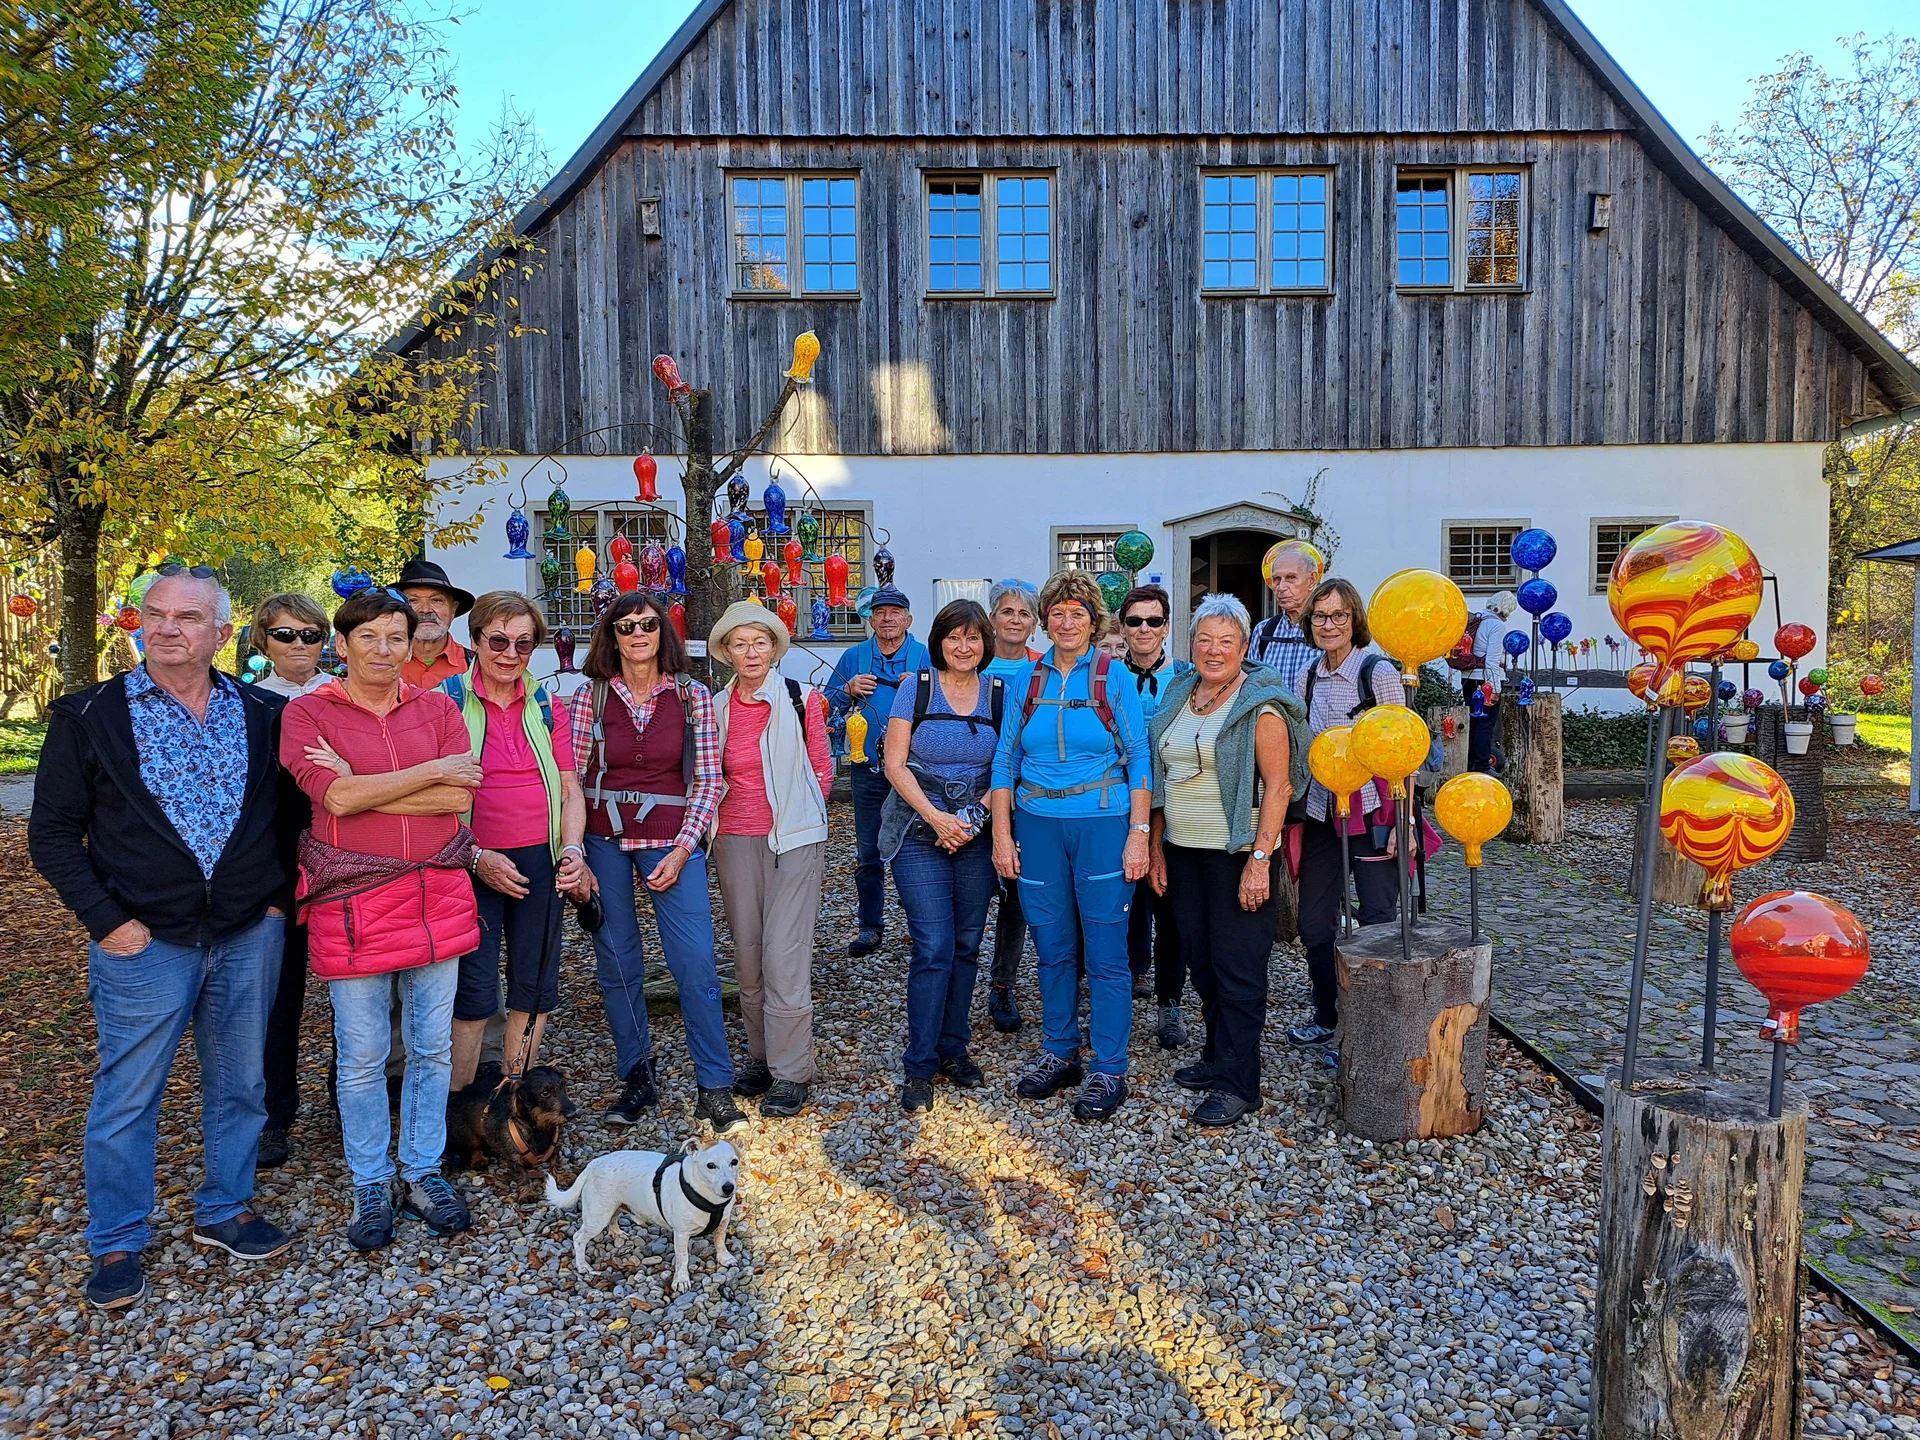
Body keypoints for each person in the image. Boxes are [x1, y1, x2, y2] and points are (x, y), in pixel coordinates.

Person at [29, 566, 295, 1311]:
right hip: (143, 942)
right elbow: (50, 835)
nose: (167, 628)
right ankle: (117, 1239)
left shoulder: (264, 712)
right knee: (127, 1095)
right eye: (155, 614)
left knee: (242, 1084)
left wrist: (274, 904)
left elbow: (287, 823)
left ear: (223, 633)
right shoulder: (90, 716)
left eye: (186, 617)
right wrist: (108, 922)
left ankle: (224, 1209)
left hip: (247, 932)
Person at [281, 588, 481, 1252]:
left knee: (430, 1048)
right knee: (363, 1056)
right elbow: (332, 796)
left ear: (409, 642)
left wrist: (367, 786)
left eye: (396, 637)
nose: (384, 649)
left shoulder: (438, 706)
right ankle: (371, 1181)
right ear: (342, 645)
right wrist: (426, 773)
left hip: (435, 896)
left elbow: (458, 797)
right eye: (368, 637)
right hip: (354, 903)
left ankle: (422, 1171)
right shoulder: (309, 713)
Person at [570, 591, 746, 1136]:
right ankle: (637, 1074)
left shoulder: (692, 696)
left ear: (662, 632)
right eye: (626, 626)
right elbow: (570, 778)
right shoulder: (590, 697)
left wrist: (684, 847)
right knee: (617, 962)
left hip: (672, 840)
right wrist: (573, 852)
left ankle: (714, 1083)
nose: (638, 633)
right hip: (602, 839)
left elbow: (710, 779)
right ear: (612, 637)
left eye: (648, 624)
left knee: (694, 960)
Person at [988, 570, 1151, 1123]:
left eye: (1076, 613)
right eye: (1056, 612)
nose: (1065, 622)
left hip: (1102, 824)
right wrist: (1003, 833)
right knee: (1051, 945)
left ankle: (1109, 1064)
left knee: (1106, 952)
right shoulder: (1027, 680)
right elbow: (1005, 758)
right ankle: (1059, 1052)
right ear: (1044, 620)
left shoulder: (1113, 677)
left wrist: (1139, 834)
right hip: (1037, 824)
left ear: (1092, 620)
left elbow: (1139, 756)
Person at [1148, 595, 1303, 1127]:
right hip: (1184, 852)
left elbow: (1279, 788)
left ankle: (1240, 1084)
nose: (1214, 651)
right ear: (1191, 645)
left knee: (1238, 971)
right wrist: (1155, 847)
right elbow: (1163, 779)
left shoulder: (1261, 707)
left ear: (1244, 646)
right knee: (1201, 962)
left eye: (1226, 641)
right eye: (1205, 640)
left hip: (1238, 854)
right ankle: (1217, 1057)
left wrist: (1261, 859)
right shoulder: (1179, 693)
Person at [441, 591, 591, 1093]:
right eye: (499, 641)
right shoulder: (446, 700)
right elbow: (431, 796)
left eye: (524, 644)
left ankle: (510, 1095)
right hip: (469, 861)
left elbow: (571, 788)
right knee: (473, 991)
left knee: (535, 982)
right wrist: (476, 856)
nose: (510, 654)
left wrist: (573, 850)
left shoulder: (548, 704)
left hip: (541, 861)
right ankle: (459, 1108)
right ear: (475, 639)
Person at [710, 602, 834, 1119]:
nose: (751, 652)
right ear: (726, 653)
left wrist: (803, 820)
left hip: (794, 840)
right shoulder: (715, 707)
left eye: (759, 641)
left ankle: (791, 1072)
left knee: (785, 955)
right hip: (734, 839)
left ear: (775, 647)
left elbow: (822, 770)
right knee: (749, 955)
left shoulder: (802, 700)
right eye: (739, 643)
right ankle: (761, 1058)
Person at [881, 600, 1002, 1114]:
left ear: (985, 644)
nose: (963, 646)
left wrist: (970, 822)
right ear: (938, 640)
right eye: (954, 636)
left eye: (973, 638)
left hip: (974, 828)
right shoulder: (917, 686)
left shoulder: (999, 692)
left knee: (967, 944)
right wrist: (936, 819)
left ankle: (954, 1048)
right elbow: (894, 763)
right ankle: (920, 1064)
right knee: (933, 945)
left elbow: (1007, 767)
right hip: (918, 828)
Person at [1291, 577, 1405, 1049]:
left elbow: (1404, 751)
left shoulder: (1378, 673)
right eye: (1320, 616)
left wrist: (1407, 820)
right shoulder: (1308, 674)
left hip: (1375, 811)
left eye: (1339, 615)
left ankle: (1380, 1031)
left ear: (1355, 619)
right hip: (1322, 810)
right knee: (1314, 925)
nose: (1329, 624)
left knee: (1379, 922)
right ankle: (1328, 1014)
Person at [248, 591, 333, 1171]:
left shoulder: (342, 695)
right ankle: (274, 1113)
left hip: (342, 851)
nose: (299, 645)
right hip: (274, 861)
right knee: (279, 995)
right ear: (263, 641)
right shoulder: (245, 702)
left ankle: (356, 1097)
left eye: (310, 634)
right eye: (285, 635)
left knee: (364, 992)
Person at [827, 585, 929, 958]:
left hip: (917, 772)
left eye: (895, 612)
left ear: (908, 619)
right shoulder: (854, 657)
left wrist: (922, 690)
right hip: (868, 770)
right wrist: (849, 689)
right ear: (870, 619)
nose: (887, 618)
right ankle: (871, 926)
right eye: (880, 612)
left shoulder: (925, 656)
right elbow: (824, 706)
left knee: (919, 849)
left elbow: (951, 702)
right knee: (868, 853)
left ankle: (924, 926)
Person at [1116, 584, 1194, 1045]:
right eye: (1134, 621)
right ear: (1122, 627)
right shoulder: (1106, 675)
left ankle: (1170, 1003)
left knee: (1171, 910)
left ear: (1166, 626)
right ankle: (1120, 989)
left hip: (1175, 806)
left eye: (1153, 621)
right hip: (1120, 803)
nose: (1144, 629)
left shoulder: (1186, 677)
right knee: (1123, 905)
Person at [982, 579, 1043, 1034]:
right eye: (1007, 611)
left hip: (1026, 800)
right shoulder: (972, 666)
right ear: (992, 619)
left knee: (1017, 898)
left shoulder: (1046, 669)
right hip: (969, 796)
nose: (1016, 620)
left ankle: (1003, 985)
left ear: (1035, 623)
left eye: (1024, 613)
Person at [1249, 539, 1326, 697]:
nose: (1281, 587)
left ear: (1311, 580)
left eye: (1291, 578)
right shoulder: (1263, 630)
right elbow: (1252, 687)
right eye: (1277, 579)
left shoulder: (1329, 628)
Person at [394, 558, 475, 689]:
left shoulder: (476, 665)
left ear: (453, 609)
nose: (425, 609)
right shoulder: (383, 662)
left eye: (436, 600)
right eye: (413, 600)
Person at [1460, 590, 1517, 773]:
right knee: (1486, 724)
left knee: (1473, 722)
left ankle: (1469, 763)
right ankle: (1482, 765)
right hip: (1486, 681)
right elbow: (1492, 661)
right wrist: (1496, 688)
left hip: (1468, 678)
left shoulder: (1476, 620)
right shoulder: (1496, 626)